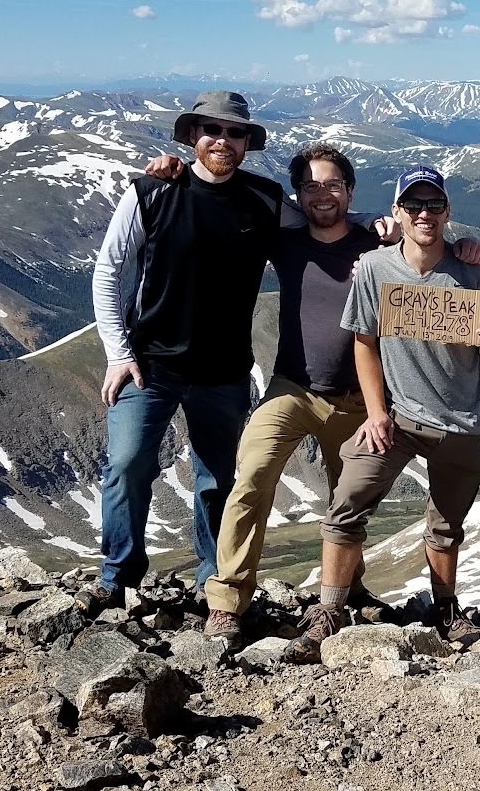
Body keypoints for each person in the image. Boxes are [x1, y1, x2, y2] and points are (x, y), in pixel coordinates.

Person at [81, 92, 388, 615]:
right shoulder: (152, 190)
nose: (222, 141)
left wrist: (384, 223)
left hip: (224, 370)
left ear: (248, 143)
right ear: (191, 136)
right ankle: (118, 574)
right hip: (150, 363)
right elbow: (109, 270)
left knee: (218, 478)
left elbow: (322, 213)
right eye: (211, 131)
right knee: (128, 464)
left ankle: (211, 579)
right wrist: (117, 350)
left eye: (235, 133)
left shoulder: (265, 201)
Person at [286, 165, 480, 662]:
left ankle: (444, 609)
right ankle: (329, 611)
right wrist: (376, 411)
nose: (424, 213)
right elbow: (364, 342)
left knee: (447, 525)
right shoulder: (375, 269)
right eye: (414, 205)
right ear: (398, 213)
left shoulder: (475, 269)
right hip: (398, 420)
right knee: (348, 501)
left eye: (433, 205)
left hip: (460, 422)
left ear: (448, 212)